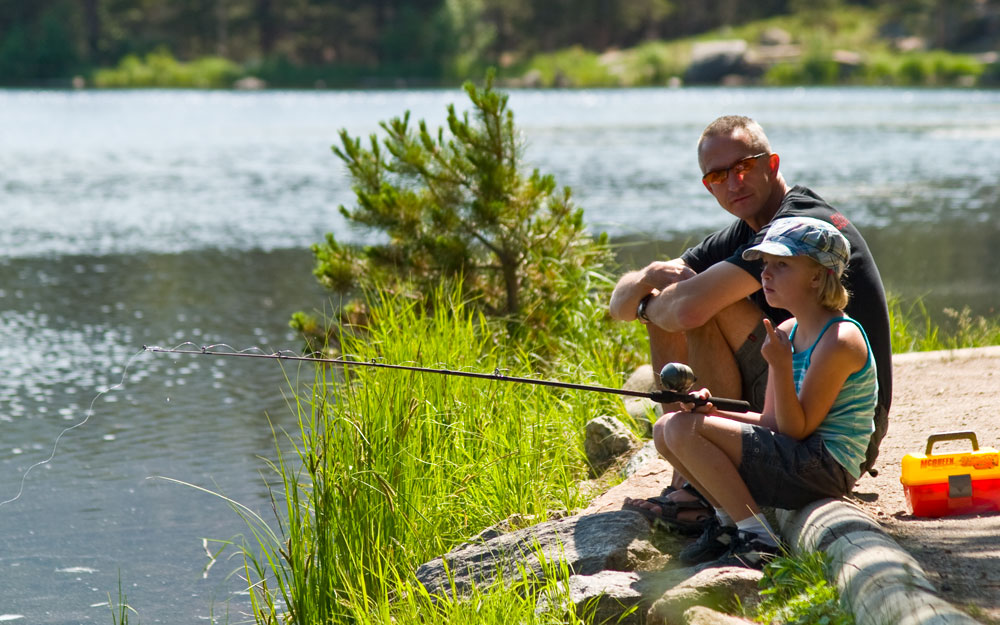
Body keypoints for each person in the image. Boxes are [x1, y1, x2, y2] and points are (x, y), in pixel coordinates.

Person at [610, 116, 892, 542]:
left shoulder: (801, 229)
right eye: (717, 175)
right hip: (787, 406)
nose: (732, 182)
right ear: (708, 184)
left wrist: (652, 308)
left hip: (834, 430)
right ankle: (697, 485)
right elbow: (619, 307)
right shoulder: (743, 237)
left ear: (772, 164)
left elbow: (687, 311)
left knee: (697, 306)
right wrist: (650, 276)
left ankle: (728, 515)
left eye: (743, 166)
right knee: (677, 394)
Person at [647, 216, 878, 569]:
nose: (766, 274)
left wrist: (782, 367)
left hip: (826, 467)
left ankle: (758, 537)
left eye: (781, 265)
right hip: (798, 454)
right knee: (668, 427)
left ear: (817, 276)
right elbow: (771, 421)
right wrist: (712, 412)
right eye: (766, 265)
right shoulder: (788, 329)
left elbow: (795, 430)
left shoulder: (839, 340)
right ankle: (727, 525)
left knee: (680, 429)